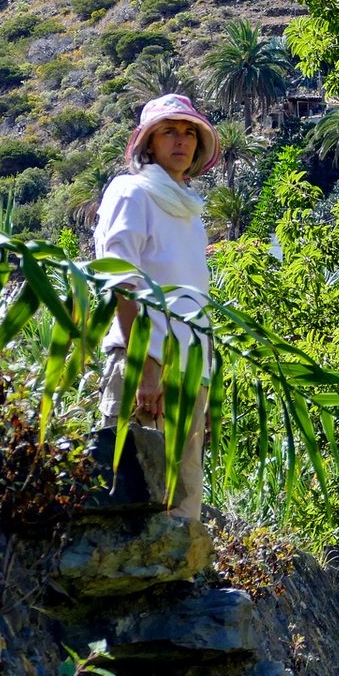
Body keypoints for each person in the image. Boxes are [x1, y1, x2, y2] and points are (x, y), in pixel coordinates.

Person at [92, 93, 221, 519]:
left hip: (188, 376)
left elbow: (194, 302)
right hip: (145, 367)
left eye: (189, 132)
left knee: (182, 508)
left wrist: (204, 389)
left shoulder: (189, 210)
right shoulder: (133, 192)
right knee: (129, 498)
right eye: (169, 131)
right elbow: (120, 279)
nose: (181, 140)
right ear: (148, 142)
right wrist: (144, 366)